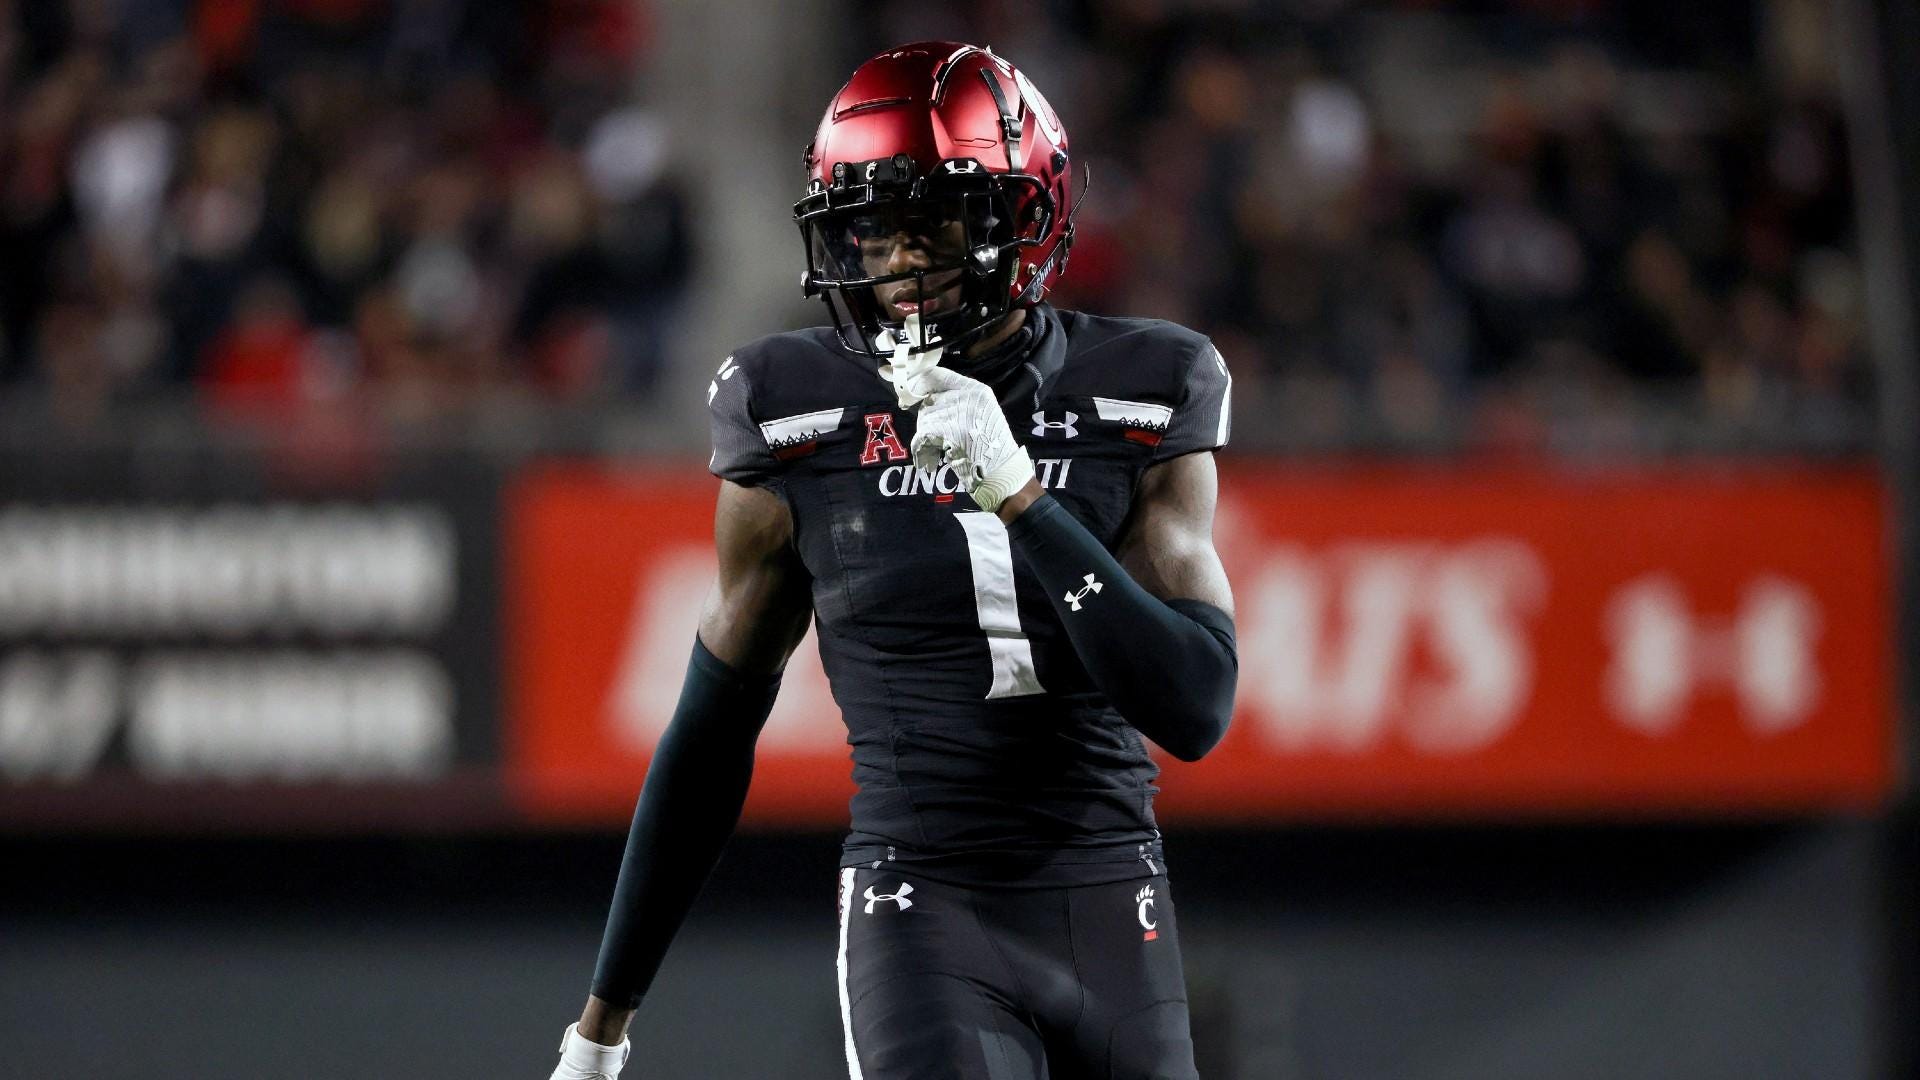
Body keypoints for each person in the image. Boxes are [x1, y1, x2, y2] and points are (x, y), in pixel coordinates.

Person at [549, 41, 1236, 1080]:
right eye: (872, 227)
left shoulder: (1144, 384)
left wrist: (1024, 501)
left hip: (1112, 898)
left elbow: (1195, 706)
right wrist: (602, 1027)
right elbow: (708, 738)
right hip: (922, 905)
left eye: (935, 221)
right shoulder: (795, 408)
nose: (900, 260)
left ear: (1024, 213)